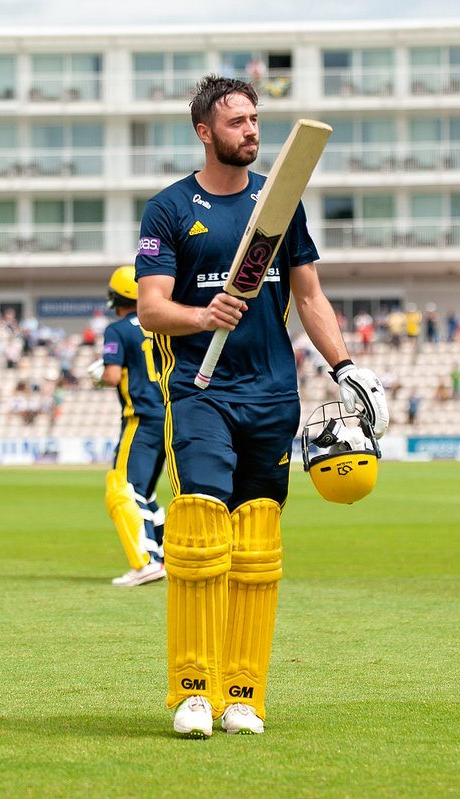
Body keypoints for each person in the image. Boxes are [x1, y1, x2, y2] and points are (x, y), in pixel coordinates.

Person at [134, 75, 389, 738]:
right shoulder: (167, 209)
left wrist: (346, 367)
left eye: (254, 120)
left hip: (273, 395)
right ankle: (193, 689)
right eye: (237, 122)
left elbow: (309, 298)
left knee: (256, 542)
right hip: (201, 392)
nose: (250, 131)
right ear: (205, 132)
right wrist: (201, 312)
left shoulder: (281, 206)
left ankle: (242, 693)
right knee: (198, 526)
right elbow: (151, 308)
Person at [87, 265, 167, 588]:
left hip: (141, 419)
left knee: (121, 488)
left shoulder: (118, 329)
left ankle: (144, 562)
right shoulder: (162, 322)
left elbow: (110, 375)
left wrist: (98, 375)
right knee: (145, 493)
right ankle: (163, 557)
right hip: (170, 416)